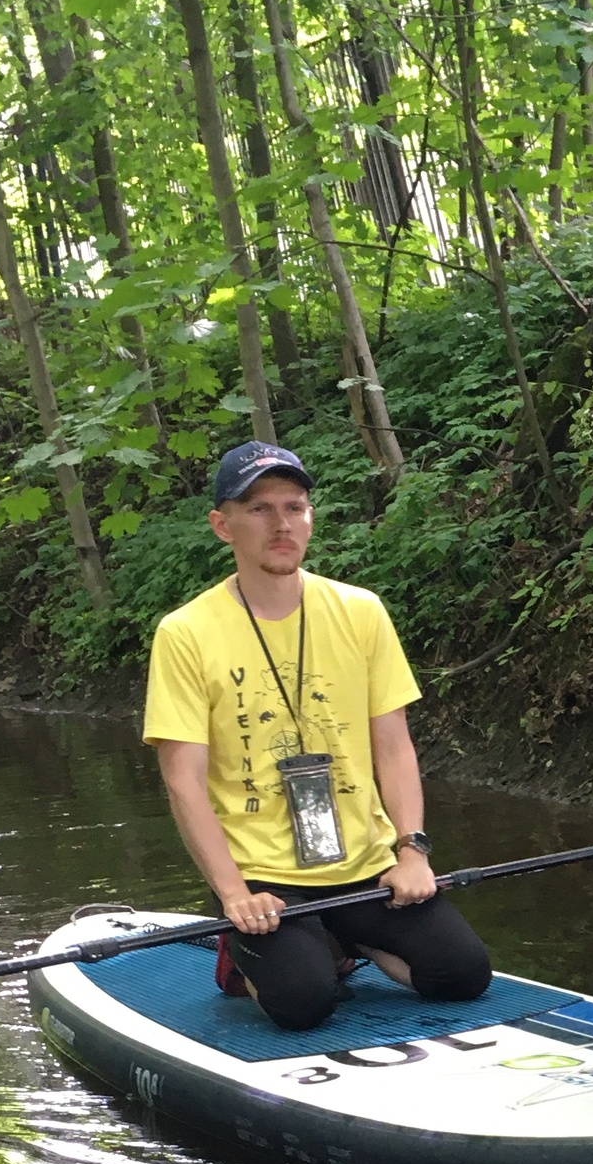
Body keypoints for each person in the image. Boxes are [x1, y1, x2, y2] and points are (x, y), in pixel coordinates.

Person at [142, 439, 492, 1031]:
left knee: (462, 976)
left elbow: (393, 746)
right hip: (263, 876)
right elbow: (184, 782)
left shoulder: (361, 611)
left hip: (364, 864)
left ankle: (340, 938)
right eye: (259, 509)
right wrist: (234, 895)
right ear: (222, 526)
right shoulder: (186, 633)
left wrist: (413, 851)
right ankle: (246, 959)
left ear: (310, 517)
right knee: (304, 1004)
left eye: (294, 507)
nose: (281, 524)